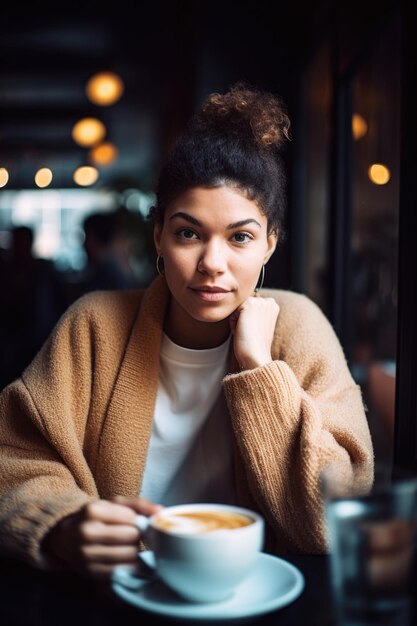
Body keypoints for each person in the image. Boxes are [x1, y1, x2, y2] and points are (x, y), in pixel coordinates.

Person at [0, 83, 374, 580]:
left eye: (240, 237)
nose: (211, 264)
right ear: (158, 235)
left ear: (270, 243)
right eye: (188, 233)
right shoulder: (94, 324)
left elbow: (333, 520)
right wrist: (62, 523)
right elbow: (14, 460)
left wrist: (261, 370)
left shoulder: (300, 326)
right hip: (116, 599)